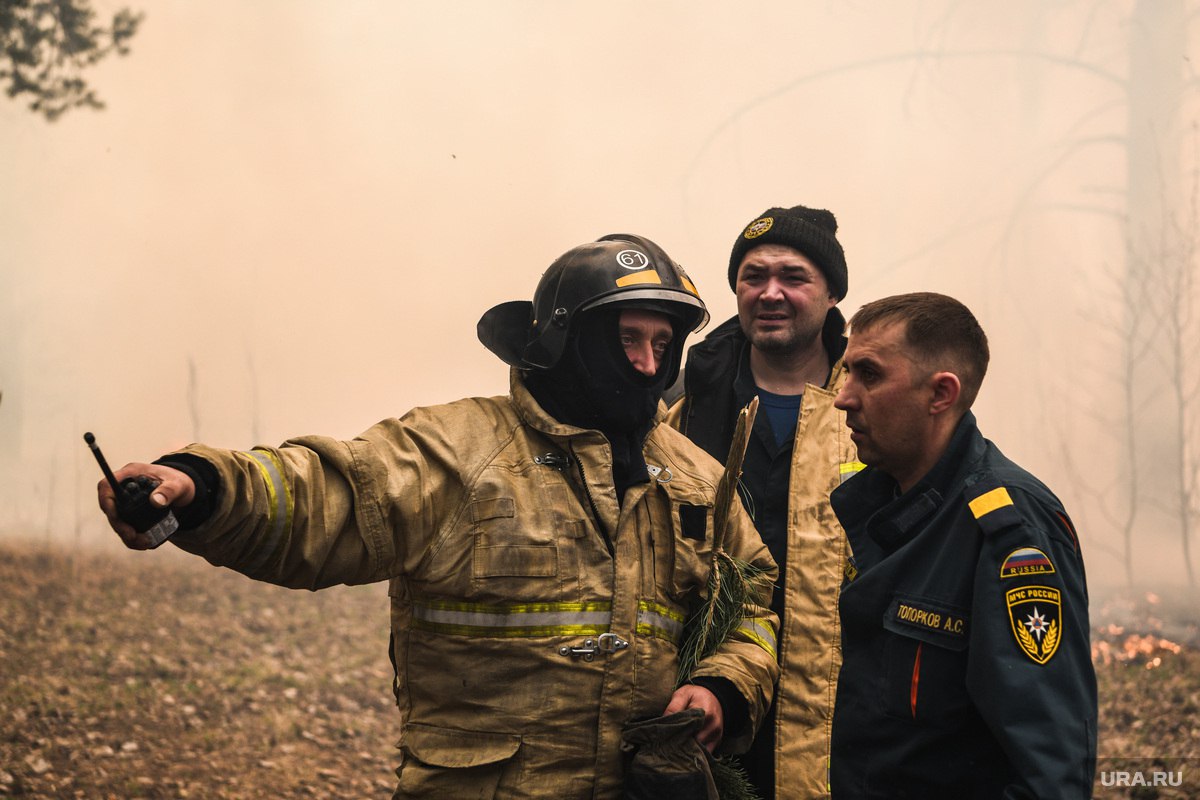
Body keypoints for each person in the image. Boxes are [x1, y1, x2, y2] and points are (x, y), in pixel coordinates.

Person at [96, 234, 781, 799]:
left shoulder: (697, 479)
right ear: (567, 341)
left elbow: (752, 601)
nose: (646, 363)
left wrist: (723, 685)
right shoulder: (462, 451)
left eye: (663, 346)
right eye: (628, 338)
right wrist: (200, 485)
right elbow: (324, 495)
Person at [829, 292, 1097, 798]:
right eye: (846, 372)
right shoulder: (889, 508)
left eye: (868, 374)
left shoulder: (1010, 529)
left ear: (941, 394)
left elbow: (1049, 770)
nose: (843, 397)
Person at [667, 204, 858, 799]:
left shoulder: (871, 403)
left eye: (793, 277)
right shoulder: (681, 405)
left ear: (831, 295)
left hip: (841, 710)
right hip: (701, 708)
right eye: (753, 276)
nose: (770, 293)